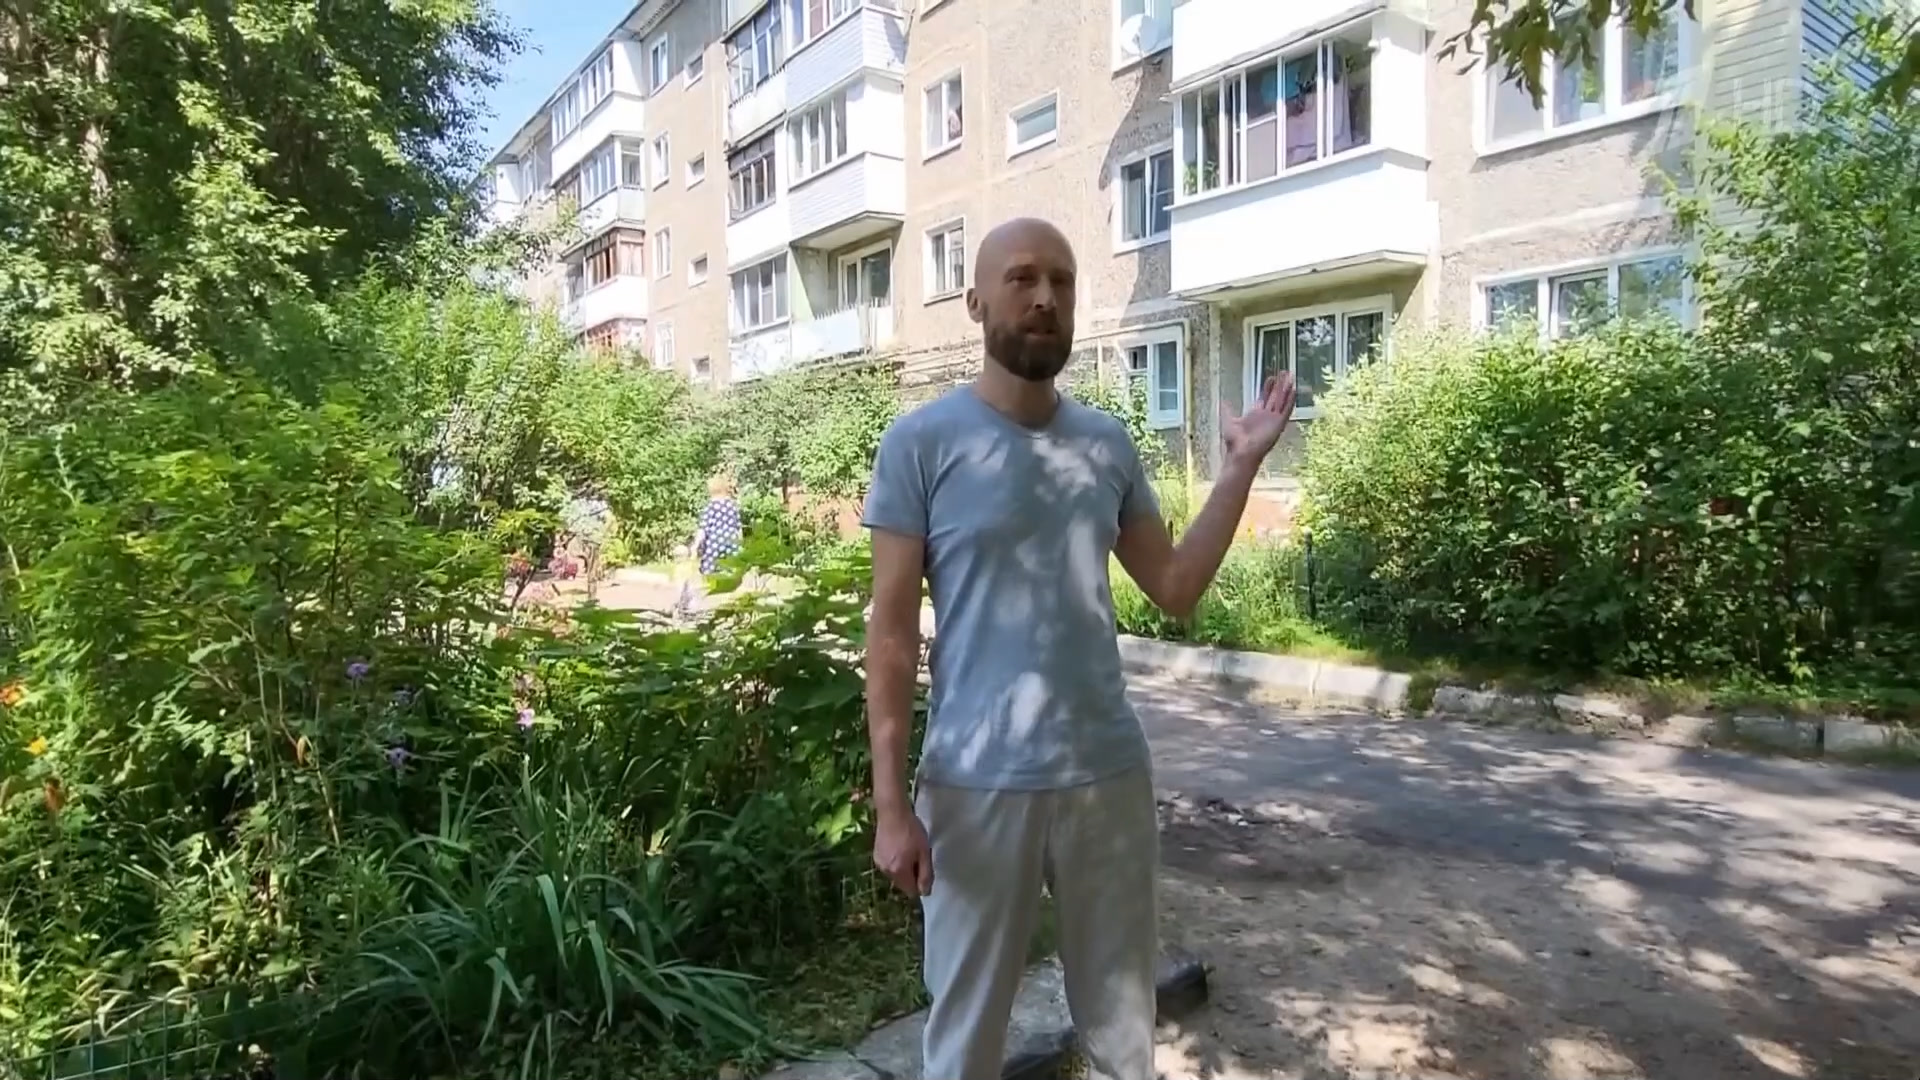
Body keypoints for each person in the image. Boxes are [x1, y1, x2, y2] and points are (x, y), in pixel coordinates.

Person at [860, 217, 1295, 1080]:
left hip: (1107, 777)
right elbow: (893, 633)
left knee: (1124, 1033)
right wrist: (890, 807)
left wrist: (1240, 467)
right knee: (965, 1040)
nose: (1045, 297)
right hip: (975, 784)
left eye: (1060, 280)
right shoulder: (921, 443)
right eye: (1022, 278)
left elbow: (1175, 586)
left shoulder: (1105, 444)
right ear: (975, 302)